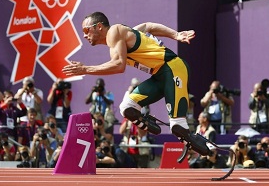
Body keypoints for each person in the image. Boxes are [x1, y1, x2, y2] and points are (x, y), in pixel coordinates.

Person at [62, 11, 212, 157]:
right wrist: (175, 34)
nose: (84, 35)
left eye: (86, 29)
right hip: (159, 76)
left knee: (177, 126)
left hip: (173, 68)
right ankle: (152, 124)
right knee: (127, 107)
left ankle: (207, 149)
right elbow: (148, 26)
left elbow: (119, 65)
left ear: (99, 26)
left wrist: (85, 69)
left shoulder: (114, 31)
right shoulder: (123, 35)